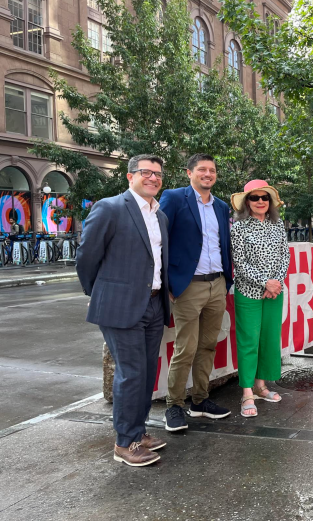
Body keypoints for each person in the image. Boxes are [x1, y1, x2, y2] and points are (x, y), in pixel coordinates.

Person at [76, 154, 170, 467]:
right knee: (131, 374)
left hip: (155, 303)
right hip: (120, 306)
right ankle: (124, 442)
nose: (153, 178)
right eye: (146, 172)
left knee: (146, 373)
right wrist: (100, 292)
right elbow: (87, 257)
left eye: (157, 174)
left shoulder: (160, 216)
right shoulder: (110, 207)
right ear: (130, 177)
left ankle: (139, 431)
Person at [160, 153, 233, 432]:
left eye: (212, 170)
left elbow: (221, 244)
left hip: (217, 285)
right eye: (202, 169)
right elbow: (160, 238)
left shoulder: (221, 206)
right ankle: (174, 405)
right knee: (185, 348)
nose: (208, 174)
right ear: (188, 173)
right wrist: (167, 283)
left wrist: (226, 281)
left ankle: (200, 400)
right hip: (187, 286)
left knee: (207, 346)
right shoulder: (175, 198)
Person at [230, 180, 290, 418]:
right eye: (254, 198)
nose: (260, 202)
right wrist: (265, 282)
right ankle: (246, 393)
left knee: (268, 339)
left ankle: (261, 386)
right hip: (249, 292)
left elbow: (285, 255)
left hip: (274, 292)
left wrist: (275, 283)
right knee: (248, 342)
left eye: (264, 197)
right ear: (247, 202)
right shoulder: (239, 227)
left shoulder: (278, 224)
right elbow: (240, 262)